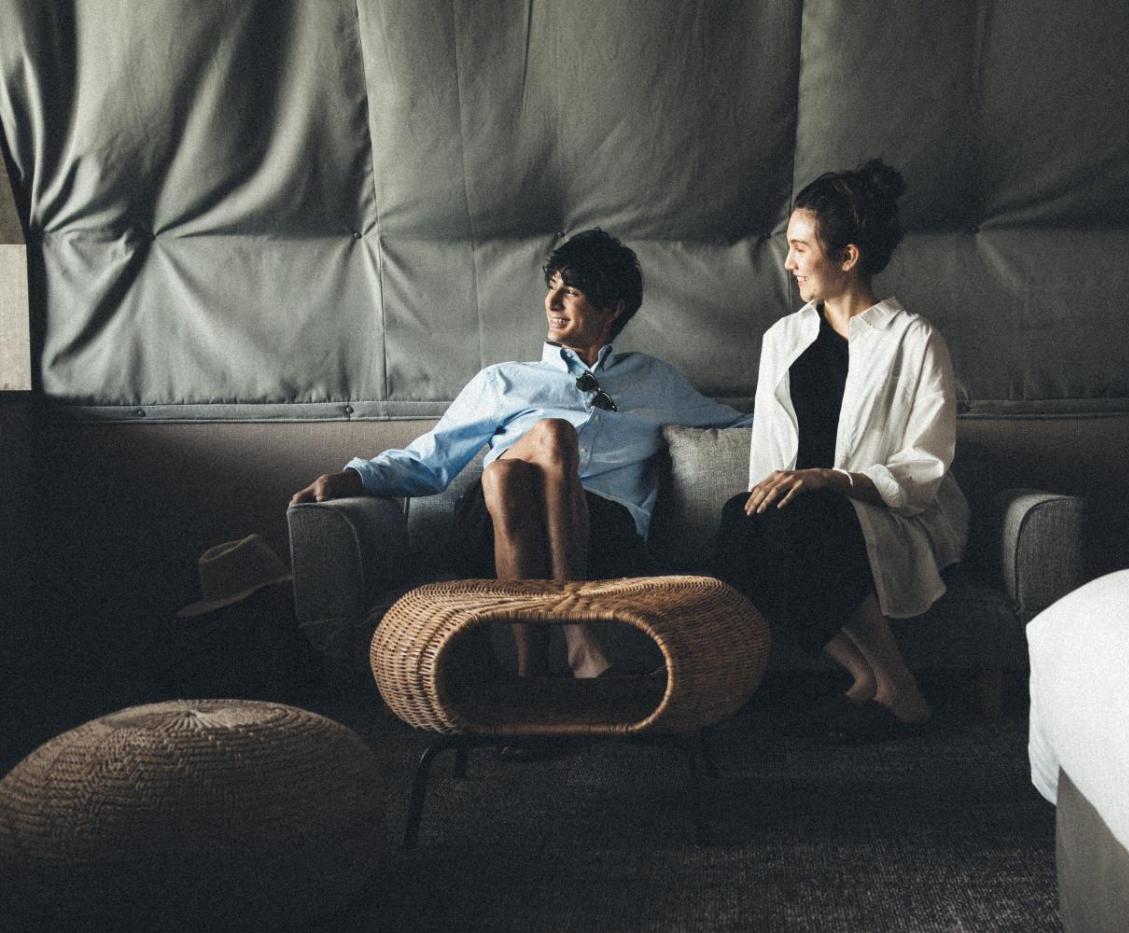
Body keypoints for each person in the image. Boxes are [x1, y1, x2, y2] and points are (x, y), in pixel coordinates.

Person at [292, 228, 750, 687]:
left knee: (513, 467)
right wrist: (355, 477)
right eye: (552, 287)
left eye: (570, 292)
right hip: (491, 531)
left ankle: (529, 675)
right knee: (541, 444)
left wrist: (796, 458)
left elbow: (742, 424)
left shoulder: (655, 381)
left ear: (612, 308)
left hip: (605, 538)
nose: (552, 303)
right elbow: (431, 461)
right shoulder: (504, 381)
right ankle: (577, 636)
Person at [712, 160, 969, 744]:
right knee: (741, 519)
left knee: (809, 514)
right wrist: (781, 492)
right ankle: (865, 676)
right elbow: (769, 462)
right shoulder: (782, 340)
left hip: (894, 513)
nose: (788, 262)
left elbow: (925, 466)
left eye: (800, 248)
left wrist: (830, 479)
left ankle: (900, 688)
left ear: (848, 256)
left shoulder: (915, 339)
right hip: (809, 515)